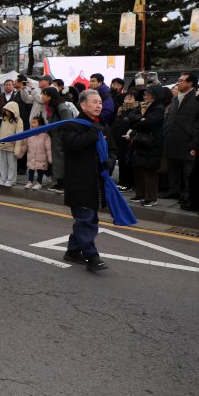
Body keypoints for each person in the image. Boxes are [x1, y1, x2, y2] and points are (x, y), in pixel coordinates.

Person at [61, 90, 115, 271]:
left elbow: (113, 149)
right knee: (86, 219)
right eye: (94, 102)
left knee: (88, 219)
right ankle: (92, 257)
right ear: (83, 105)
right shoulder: (72, 125)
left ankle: (73, 251)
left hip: (97, 183)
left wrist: (110, 161)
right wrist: (93, 133)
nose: (99, 105)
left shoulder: (103, 126)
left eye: (100, 102)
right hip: (78, 180)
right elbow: (72, 145)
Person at [161, 72, 199, 206]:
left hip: (188, 140)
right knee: (173, 167)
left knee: (187, 170)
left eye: (181, 80)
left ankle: (188, 195)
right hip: (172, 138)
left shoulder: (197, 98)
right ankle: (173, 190)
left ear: (190, 83)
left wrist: (193, 136)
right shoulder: (175, 98)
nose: (178, 83)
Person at [125, 84, 165, 207]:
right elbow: (130, 116)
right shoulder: (144, 106)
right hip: (140, 141)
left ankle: (151, 198)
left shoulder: (158, 108)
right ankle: (140, 194)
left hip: (151, 143)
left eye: (148, 94)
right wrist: (140, 119)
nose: (145, 96)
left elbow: (148, 123)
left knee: (149, 172)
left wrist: (139, 120)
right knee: (139, 169)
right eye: (145, 94)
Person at [42, 87, 75, 194]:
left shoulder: (61, 107)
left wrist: (61, 135)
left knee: (61, 161)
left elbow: (68, 123)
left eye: (44, 95)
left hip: (61, 139)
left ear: (50, 96)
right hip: (56, 138)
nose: (42, 97)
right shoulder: (53, 106)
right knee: (57, 160)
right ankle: (60, 182)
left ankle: (63, 184)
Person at [0, 101, 24, 187]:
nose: (6, 112)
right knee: (2, 163)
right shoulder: (4, 119)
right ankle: (3, 178)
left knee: (12, 165)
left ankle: (11, 180)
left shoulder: (19, 121)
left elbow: (19, 136)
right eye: (6, 110)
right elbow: (0, 132)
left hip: (11, 146)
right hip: (3, 145)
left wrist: (17, 149)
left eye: (8, 110)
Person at [20, 115, 51, 189]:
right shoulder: (29, 135)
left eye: (34, 122)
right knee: (31, 169)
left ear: (40, 124)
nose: (32, 124)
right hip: (31, 156)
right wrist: (20, 154)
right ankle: (30, 181)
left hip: (42, 157)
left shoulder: (45, 135)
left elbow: (48, 148)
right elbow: (25, 146)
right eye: (32, 123)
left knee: (40, 170)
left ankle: (39, 182)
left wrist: (50, 158)